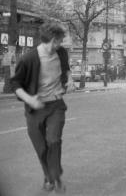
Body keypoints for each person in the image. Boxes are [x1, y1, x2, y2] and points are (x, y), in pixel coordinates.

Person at [10, 22, 75, 193]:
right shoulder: (28, 59)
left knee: (53, 141)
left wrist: (70, 79)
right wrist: (29, 100)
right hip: (35, 109)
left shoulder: (61, 53)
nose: (61, 44)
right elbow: (15, 83)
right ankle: (49, 176)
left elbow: (66, 69)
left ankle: (54, 176)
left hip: (56, 105)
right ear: (53, 40)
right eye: (59, 41)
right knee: (41, 148)